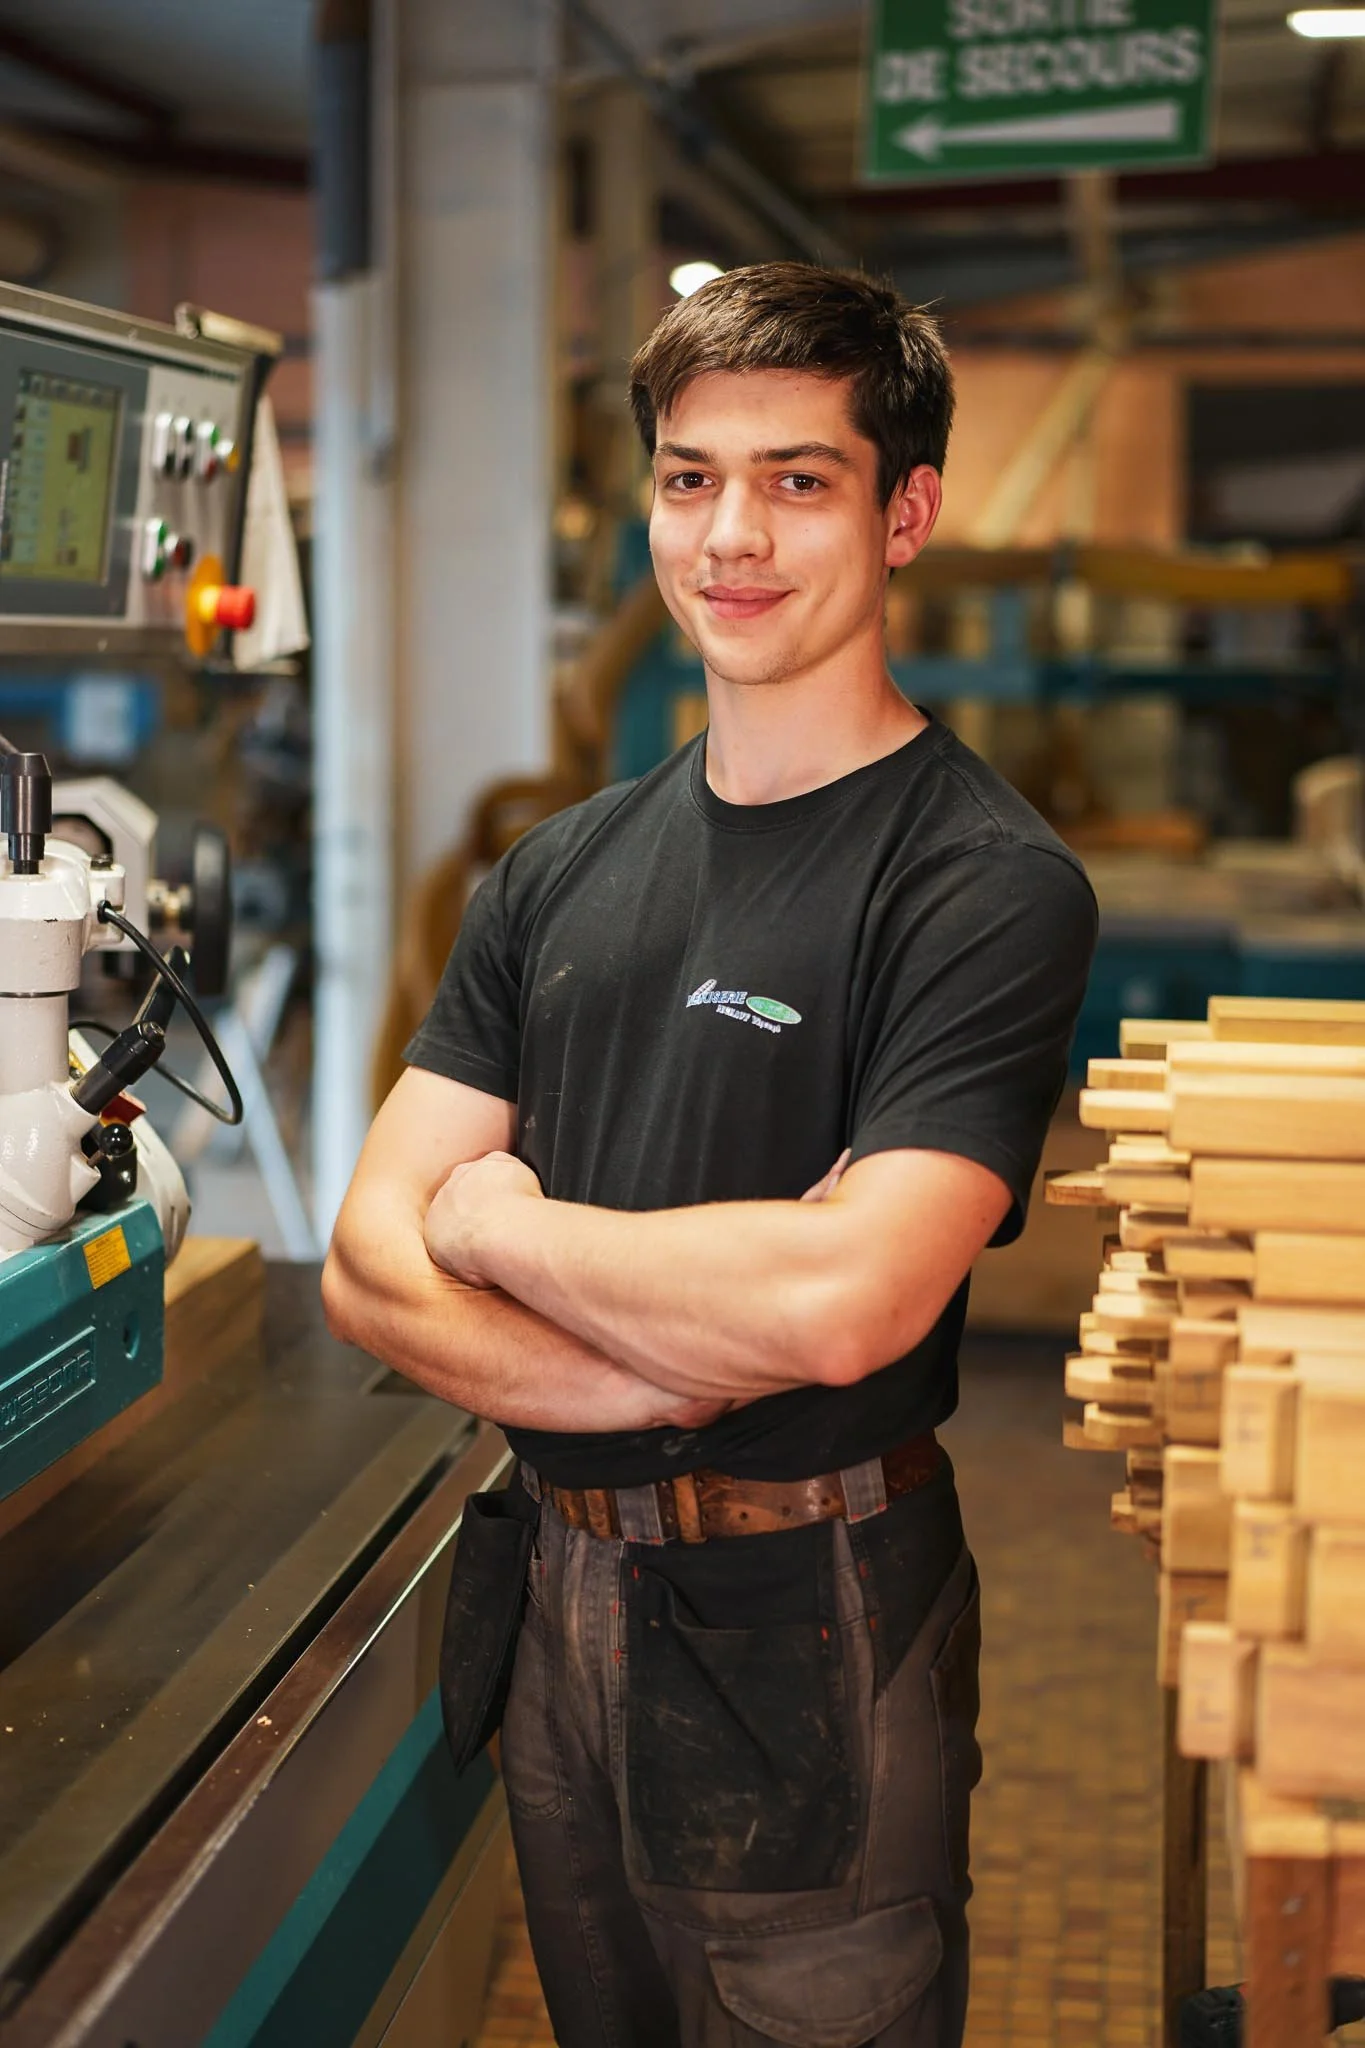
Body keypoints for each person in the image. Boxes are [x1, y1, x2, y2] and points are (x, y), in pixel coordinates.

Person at [323, 261, 1097, 2048]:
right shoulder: (556, 873)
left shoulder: (979, 887)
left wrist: (501, 1224)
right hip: (562, 1591)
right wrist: (676, 1353)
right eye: (691, 477)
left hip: (808, 1612)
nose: (731, 536)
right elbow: (372, 1260)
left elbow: (845, 1310)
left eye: (797, 479)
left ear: (905, 512)